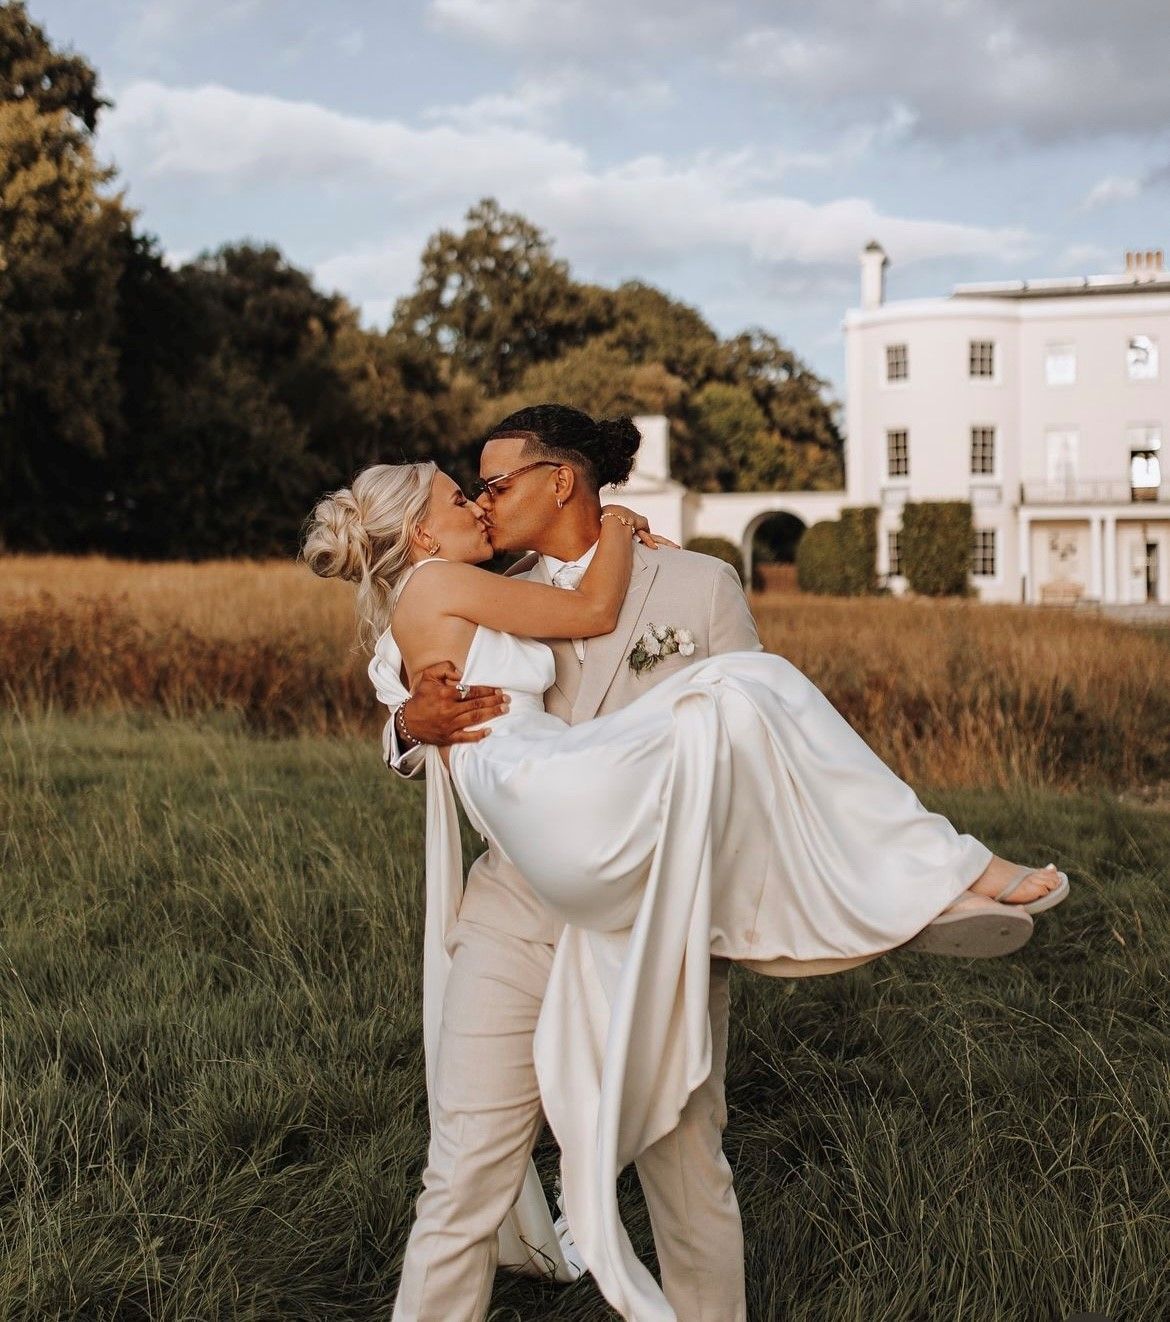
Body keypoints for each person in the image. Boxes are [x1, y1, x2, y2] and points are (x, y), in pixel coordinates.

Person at [302, 407, 1069, 1322]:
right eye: (469, 492)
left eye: (496, 484)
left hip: (653, 912)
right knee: (462, 1171)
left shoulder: (696, 583)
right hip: (515, 904)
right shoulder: (483, 579)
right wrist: (403, 728)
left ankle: (921, 883)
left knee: (685, 1162)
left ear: (561, 480)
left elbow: (758, 764)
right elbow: (415, 683)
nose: (482, 502)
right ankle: (939, 873)